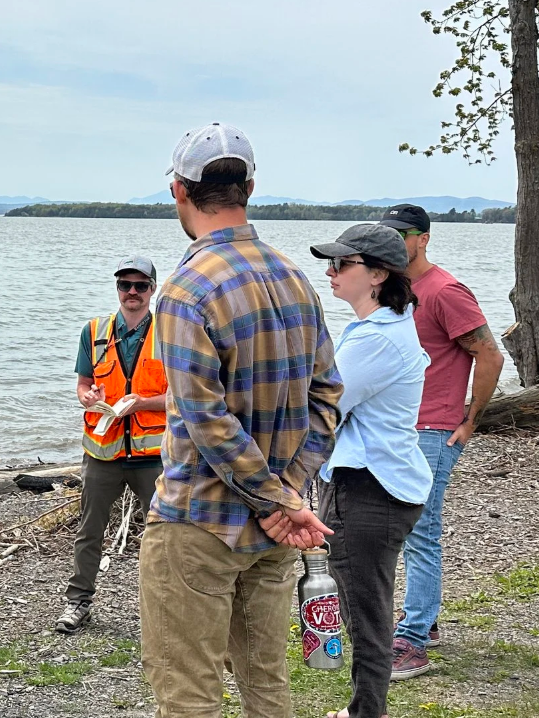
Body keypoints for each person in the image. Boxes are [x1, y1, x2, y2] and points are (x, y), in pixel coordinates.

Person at [142, 122, 343, 718]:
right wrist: (289, 491)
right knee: (266, 686)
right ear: (249, 187)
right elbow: (329, 396)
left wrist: (276, 499)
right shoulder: (295, 279)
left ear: (178, 189)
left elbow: (205, 419)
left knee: (188, 695)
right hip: (276, 530)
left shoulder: (184, 290)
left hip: (199, 522)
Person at [309, 224, 433, 718]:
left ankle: (367, 712)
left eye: (343, 264)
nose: (331, 272)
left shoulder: (377, 340)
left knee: (365, 608)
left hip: (369, 488)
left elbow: (320, 405)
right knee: (365, 602)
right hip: (373, 483)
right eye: (332, 263)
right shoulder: (376, 330)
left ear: (378, 274)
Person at [379, 204, 505, 680]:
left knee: (420, 531)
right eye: (386, 235)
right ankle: (424, 621)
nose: (394, 244)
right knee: (404, 529)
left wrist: (471, 419)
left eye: (402, 235)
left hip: (434, 431)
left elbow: (490, 355)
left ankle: (411, 643)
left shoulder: (446, 291)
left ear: (423, 238)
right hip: (401, 427)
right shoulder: (398, 291)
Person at [57, 255, 167, 634]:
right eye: (125, 285)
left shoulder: (170, 333)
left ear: (153, 289)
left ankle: (166, 609)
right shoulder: (94, 331)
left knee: (165, 535)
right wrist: (89, 397)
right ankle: (78, 603)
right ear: (117, 288)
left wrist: (143, 403)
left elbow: (188, 396)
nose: (132, 292)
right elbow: (82, 385)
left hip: (153, 456)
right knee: (90, 530)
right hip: (102, 452)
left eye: (140, 285)